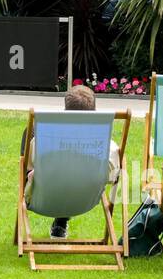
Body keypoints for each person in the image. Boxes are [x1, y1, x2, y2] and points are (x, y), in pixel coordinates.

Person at [22, 84, 121, 239]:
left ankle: (60, 222)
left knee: (30, 135)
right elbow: (112, 177)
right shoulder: (107, 147)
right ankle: (61, 223)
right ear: (94, 110)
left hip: (43, 198)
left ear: (65, 109)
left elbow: (28, 167)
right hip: (85, 200)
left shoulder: (41, 139)